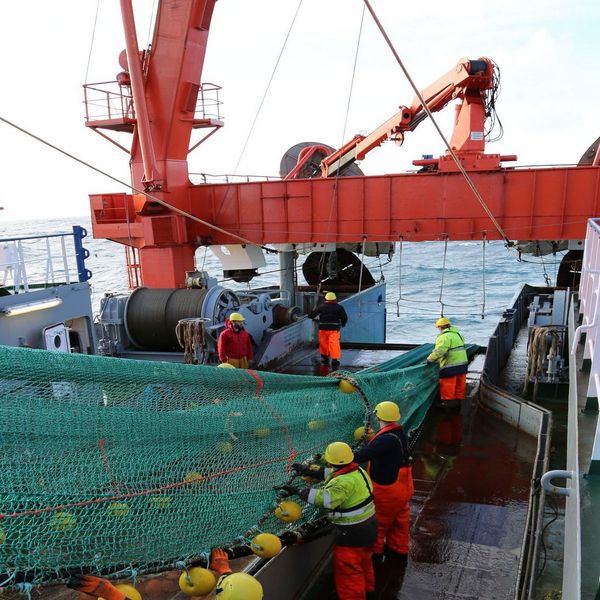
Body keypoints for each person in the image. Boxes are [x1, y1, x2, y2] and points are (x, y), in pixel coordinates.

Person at [282, 441, 377, 600]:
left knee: (349, 571)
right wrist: (310, 471)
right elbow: (334, 473)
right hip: (370, 525)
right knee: (365, 562)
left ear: (330, 460)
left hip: (352, 533)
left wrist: (299, 491)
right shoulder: (357, 470)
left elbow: (325, 499)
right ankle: (369, 589)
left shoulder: (340, 483)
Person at [353, 401, 413, 558]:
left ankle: (376, 553)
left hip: (388, 490)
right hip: (403, 487)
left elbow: (361, 456)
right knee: (400, 521)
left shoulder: (385, 440)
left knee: (379, 523)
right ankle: (399, 549)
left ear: (378, 417)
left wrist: (337, 457)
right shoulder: (399, 433)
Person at [426, 317, 468, 407]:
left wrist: (429, 359)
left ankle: (448, 403)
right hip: (463, 364)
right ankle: (458, 400)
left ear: (440, 327)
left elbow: (439, 351)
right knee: (460, 383)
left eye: (438, 328)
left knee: (448, 384)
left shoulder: (444, 337)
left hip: (450, 365)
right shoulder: (458, 335)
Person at [308, 291, 348, 370]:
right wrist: (343, 323)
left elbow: (312, 315)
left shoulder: (321, 307)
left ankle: (325, 358)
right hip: (334, 329)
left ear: (326, 299)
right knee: (334, 344)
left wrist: (310, 315)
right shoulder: (339, 307)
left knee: (324, 343)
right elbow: (344, 317)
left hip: (323, 328)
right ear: (335, 299)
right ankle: (334, 360)